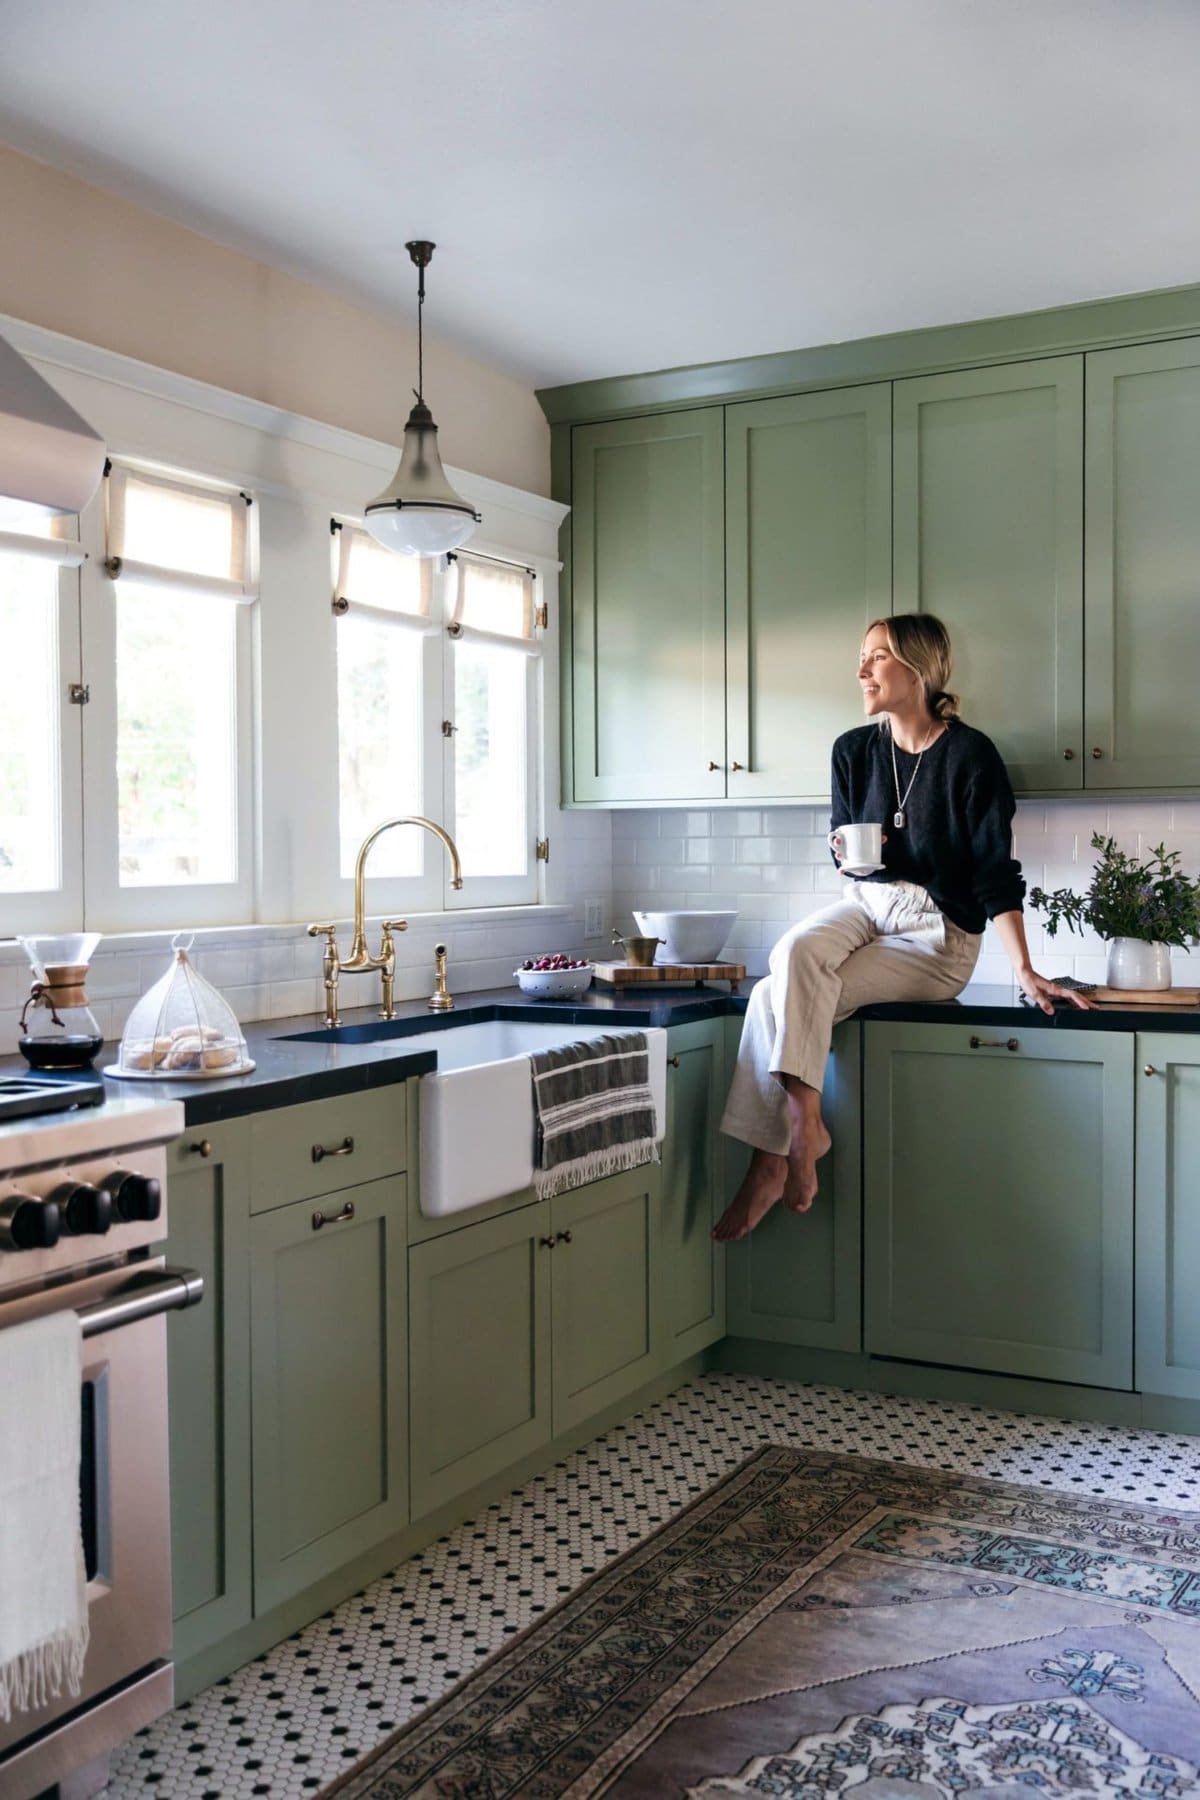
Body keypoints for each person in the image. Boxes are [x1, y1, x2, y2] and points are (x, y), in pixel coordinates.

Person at [713, 613, 1090, 1244]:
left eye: (878, 656)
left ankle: (767, 1160)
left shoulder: (971, 756)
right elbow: (843, 848)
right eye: (861, 656)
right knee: (793, 953)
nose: (862, 669)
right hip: (867, 903)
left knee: (770, 995)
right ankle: (805, 1127)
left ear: (920, 669)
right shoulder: (852, 750)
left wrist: (1024, 969)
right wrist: (851, 850)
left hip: (938, 936)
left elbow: (995, 873)